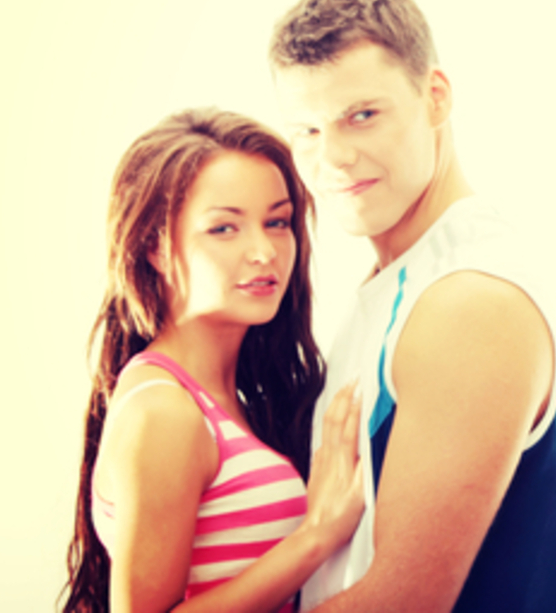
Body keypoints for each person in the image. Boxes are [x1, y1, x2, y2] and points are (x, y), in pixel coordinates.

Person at [268, 0, 556, 612]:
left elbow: (399, 604)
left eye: (362, 115)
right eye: (306, 130)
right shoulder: (402, 282)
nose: (333, 158)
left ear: (435, 97)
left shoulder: (469, 298)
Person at [62, 108, 365, 613]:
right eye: (224, 228)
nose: (264, 251)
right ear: (156, 247)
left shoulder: (235, 400)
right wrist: (315, 535)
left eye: (277, 222)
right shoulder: (165, 412)